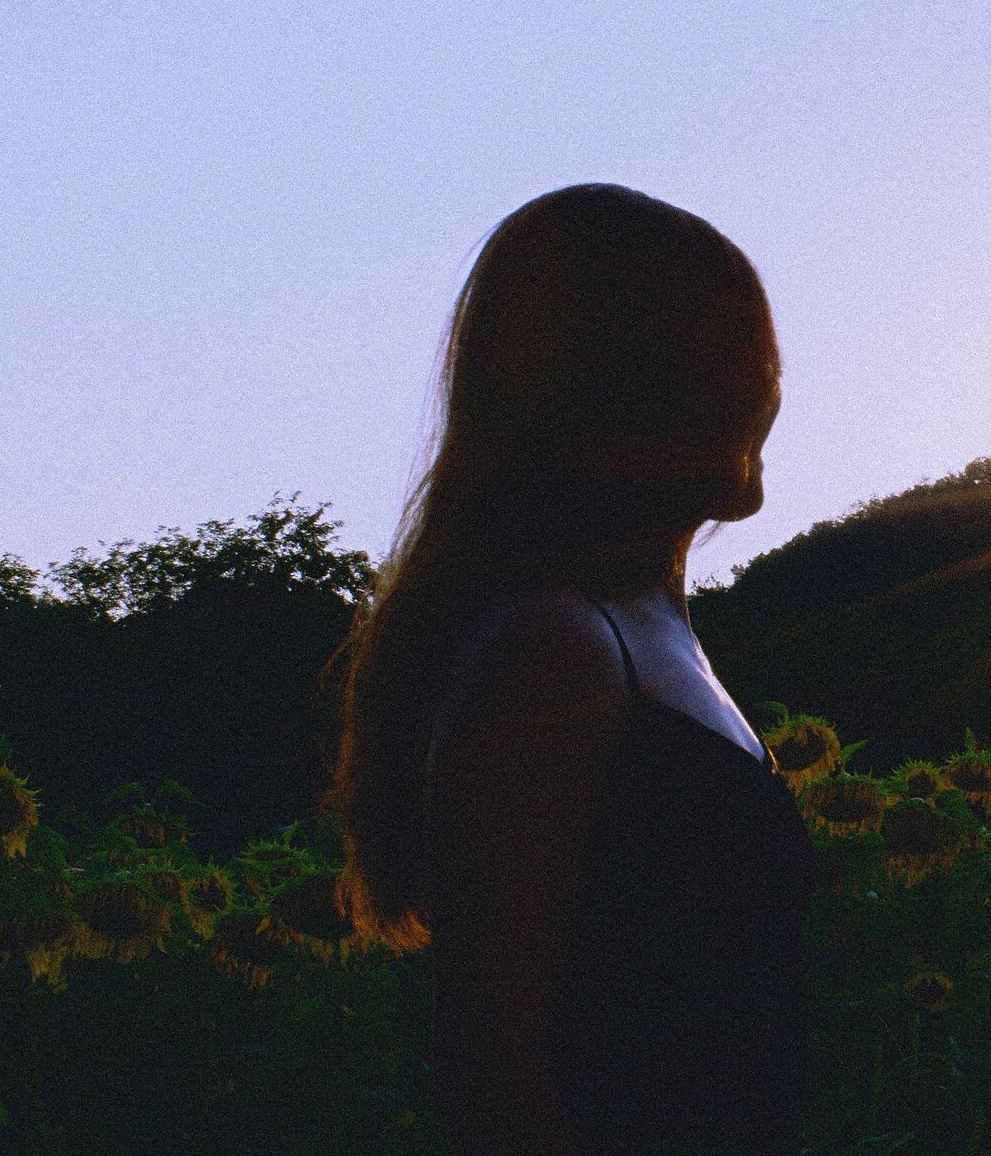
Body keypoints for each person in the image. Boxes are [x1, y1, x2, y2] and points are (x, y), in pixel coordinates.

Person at [320, 183, 809, 1154]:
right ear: (612, 387)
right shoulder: (555, 652)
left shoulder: (643, 636)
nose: (764, 385)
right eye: (722, 348)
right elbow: (496, 1069)